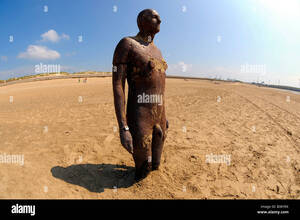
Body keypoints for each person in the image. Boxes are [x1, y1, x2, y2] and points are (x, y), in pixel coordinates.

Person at [112, 9, 169, 181]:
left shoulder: (158, 52)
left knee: (156, 165)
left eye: (159, 17)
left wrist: (164, 116)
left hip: (160, 117)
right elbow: (118, 85)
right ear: (141, 21)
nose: (160, 19)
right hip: (140, 117)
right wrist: (124, 128)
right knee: (143, 170)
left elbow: (159, 86)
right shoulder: (127, 44)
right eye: (154, 17)